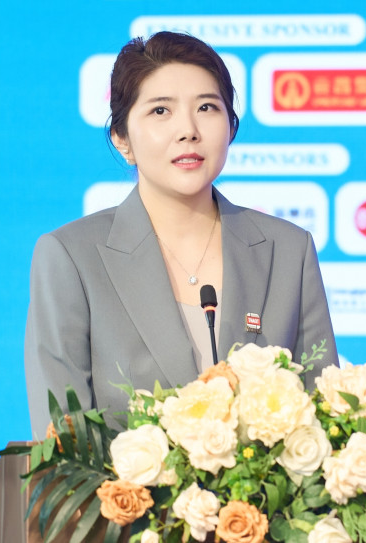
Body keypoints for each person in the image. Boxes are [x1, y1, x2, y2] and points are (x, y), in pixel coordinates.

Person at [24, 31, 338, 437]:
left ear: (231, 126)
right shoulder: (71, 257)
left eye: (207, 107)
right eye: (161, 111)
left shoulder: (289, 250)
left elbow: (326, 423)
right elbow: (63, 443)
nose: (188, 130)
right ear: (122, 138)